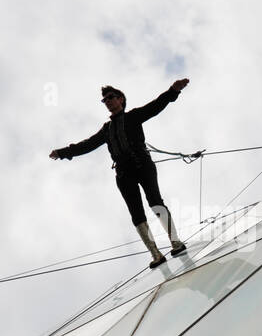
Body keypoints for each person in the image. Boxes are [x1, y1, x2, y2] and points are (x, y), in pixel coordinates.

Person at [50, 78, 191, 269]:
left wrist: (173, 91)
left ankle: (175, 242)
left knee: (155, 201)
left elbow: (155, 106)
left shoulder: (133, 116)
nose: (107, 101)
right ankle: (155, 254)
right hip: (124, 174)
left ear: (121, 99)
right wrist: (63, 152)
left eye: (110, 97)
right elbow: (88, 145)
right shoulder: (106, 129)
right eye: (105, 100)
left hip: (142, 165)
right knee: (136, 213)